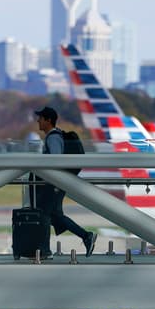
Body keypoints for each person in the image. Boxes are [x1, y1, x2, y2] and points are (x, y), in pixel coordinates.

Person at [32, 106, 97, 259]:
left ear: (48, 120)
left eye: (40, 118)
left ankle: (44, 251)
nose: (38, 121)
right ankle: (86, 236)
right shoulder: (55, 136)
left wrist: (51, 178)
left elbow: (56, 160)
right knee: (54, 216)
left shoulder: (53, 138)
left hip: (54, 183)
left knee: (43, 214)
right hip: (56, 183)